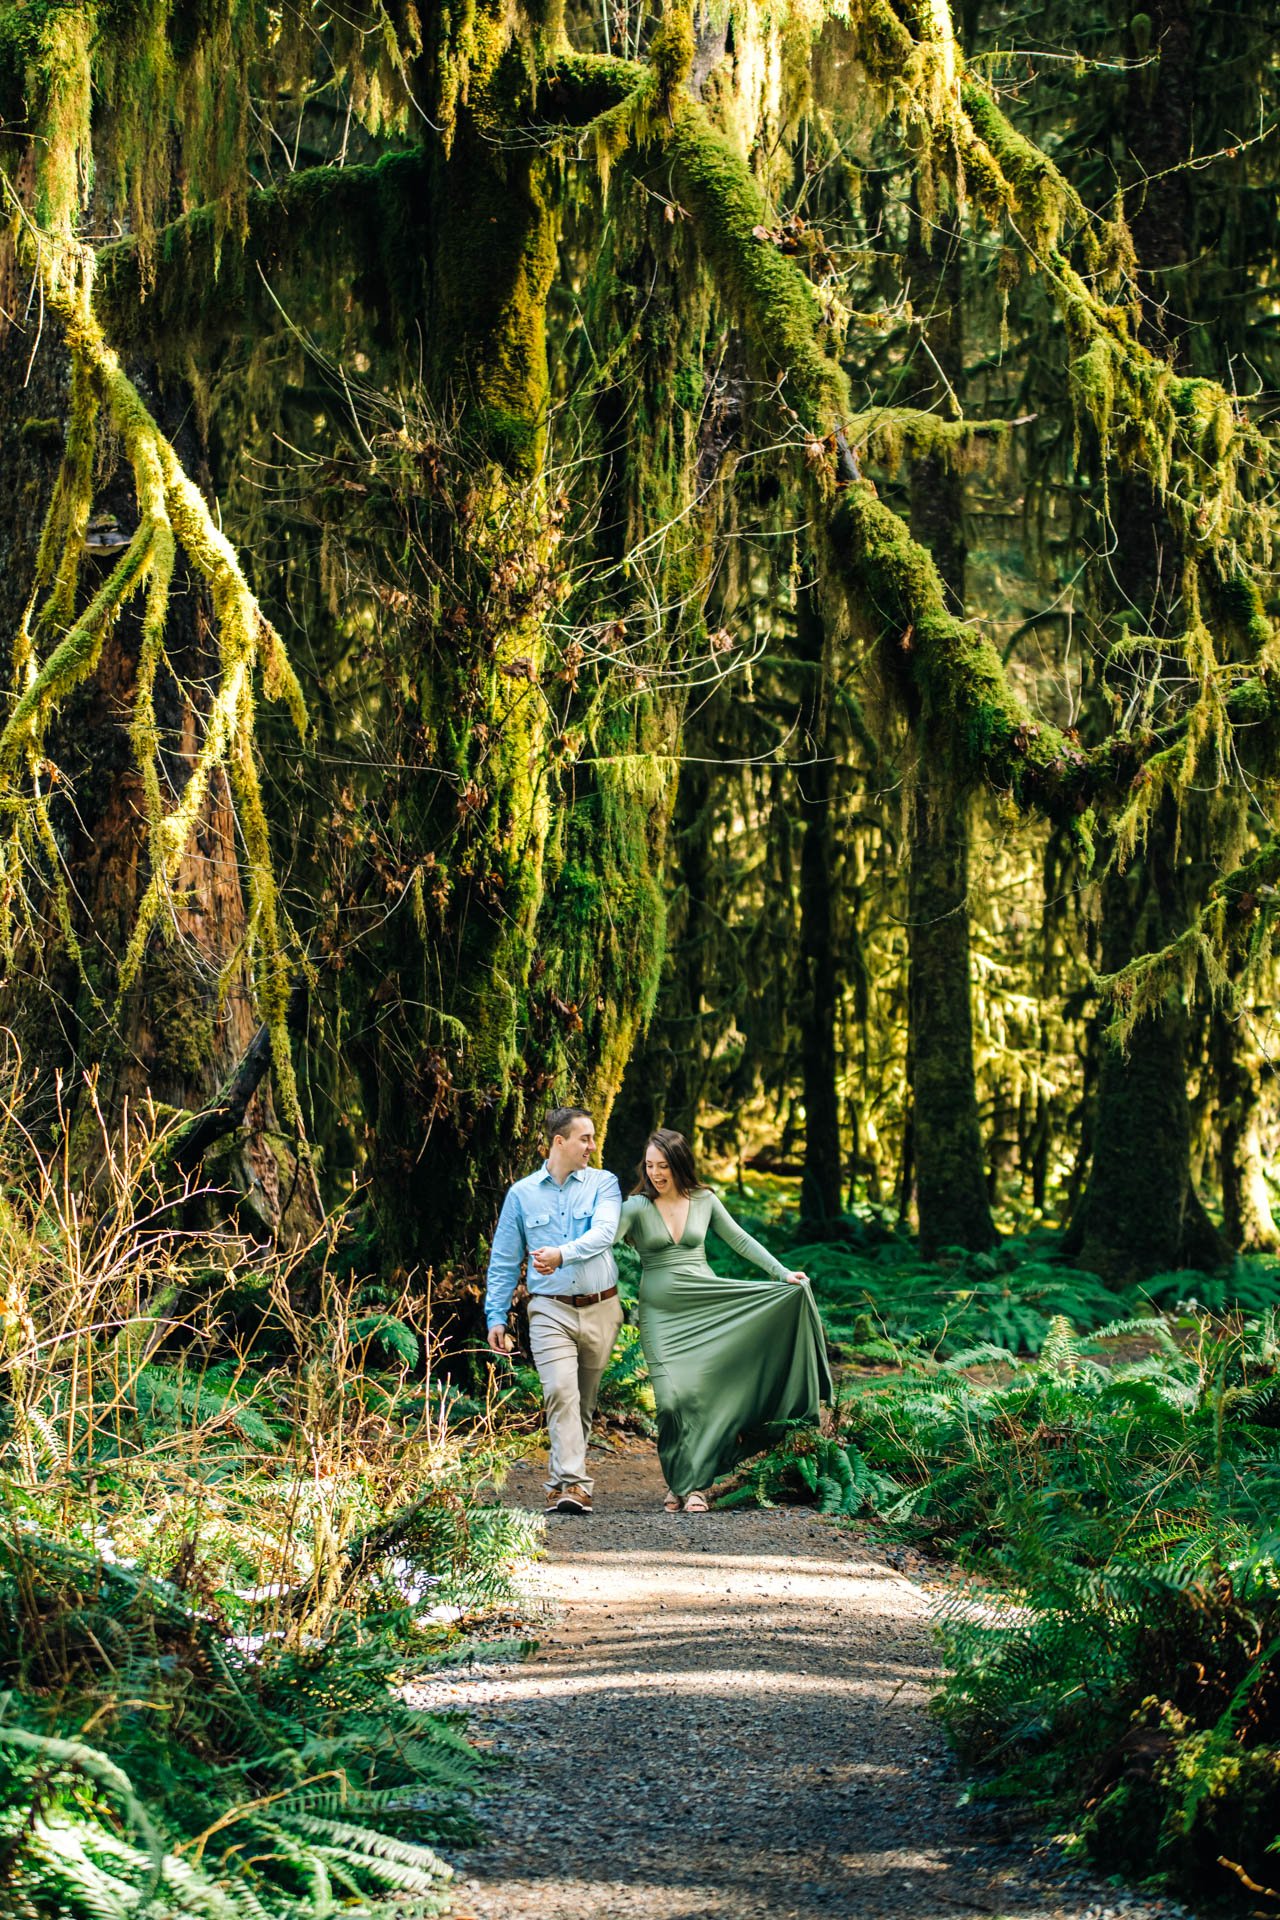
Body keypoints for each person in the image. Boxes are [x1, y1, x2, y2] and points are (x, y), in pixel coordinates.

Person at [618, 1128, 832, 1513]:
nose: (655, 1174)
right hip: (661, 1315)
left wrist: (781, 1273)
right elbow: (601, 1243)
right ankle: (679, 1478)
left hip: (708, 1307)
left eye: (663, 1166)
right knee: (669, 1401)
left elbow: (741, 1240)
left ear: (680, 1164)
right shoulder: (634, 1207)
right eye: (649, 1166)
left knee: (704, 1399)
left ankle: (693, 1487)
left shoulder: (704, 1200)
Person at [485, 1105, 623, 1515]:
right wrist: (496, 1316)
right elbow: (505, 1259)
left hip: (602, 1307)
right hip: (549, 1310)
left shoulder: (604, 1183)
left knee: (582, 1401)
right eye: (585, 1138)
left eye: (593, 1138)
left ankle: (565, 1479)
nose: (592, 1146)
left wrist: (562, 1254)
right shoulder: (522, 1195)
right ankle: (573, 1487)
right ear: (559, 1141)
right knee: (560, 1391)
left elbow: (603, 1233)